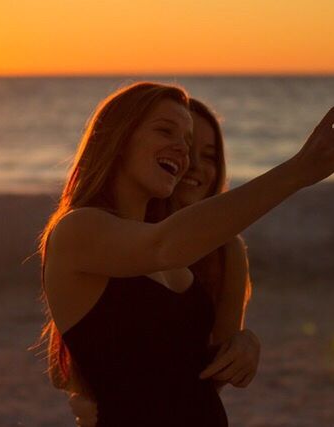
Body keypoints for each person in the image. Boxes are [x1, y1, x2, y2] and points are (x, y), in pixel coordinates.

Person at [37, 81, 334, 426]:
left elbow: (197, 366)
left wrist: (245, 344)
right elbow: (164, 246)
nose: (183, 152)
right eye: (165, 131)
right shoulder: (78, 230)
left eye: (187, 141)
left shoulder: (186, 250)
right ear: (117, 139)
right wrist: (298, 170)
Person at [67, 97, 260, 426]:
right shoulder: (106, 236)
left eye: (209, 156)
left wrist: (245, 344)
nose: (192, 162)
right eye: (172, 139)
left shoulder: (226, 252)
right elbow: (79, 368)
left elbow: (208, 369)